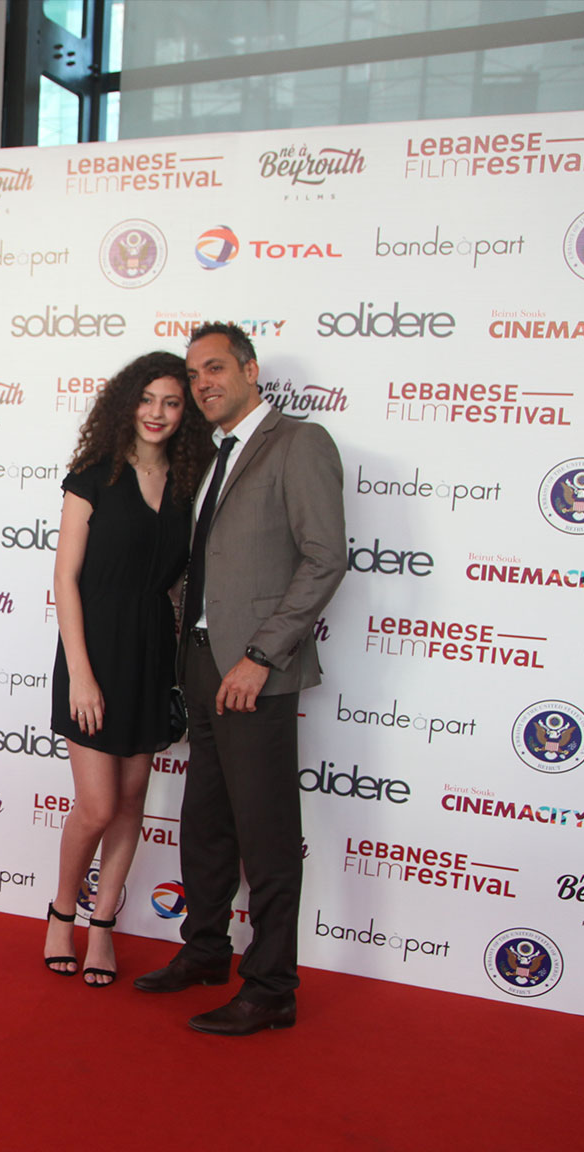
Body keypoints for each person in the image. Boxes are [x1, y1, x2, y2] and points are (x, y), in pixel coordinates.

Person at [132, 321, 345, 1035]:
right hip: (198, 663)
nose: (203, 385)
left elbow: (325, 558)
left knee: (267, 833)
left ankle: (273, 986)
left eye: (216, 368)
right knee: (206, 823)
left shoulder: (298, 443)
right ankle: (205, 950)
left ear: (252, 370)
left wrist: (261, 655)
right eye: (194, 375)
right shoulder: (207, 455)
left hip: (255, 670)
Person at [43, 351, 212, 987]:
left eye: (172, 402)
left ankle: (103, 926)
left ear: (185, 413)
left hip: (150, 652)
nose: (157, 413)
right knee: (96, 805)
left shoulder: (190, 486)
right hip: (92, 651)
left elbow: (178, 583)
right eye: (147, 399)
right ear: (126, 403)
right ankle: (62, 913)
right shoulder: (92, 478)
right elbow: (65, 578)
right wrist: (81, 675)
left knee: (131, 801)